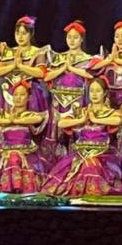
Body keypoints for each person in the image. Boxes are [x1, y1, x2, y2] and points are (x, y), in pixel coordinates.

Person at [43, 77, 122, 196]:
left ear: (105, 93)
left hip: (102, 155)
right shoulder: (81, 112)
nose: (94, 94)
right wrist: (81, 120)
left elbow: (118, 121)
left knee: (90, 164)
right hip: (81, 154)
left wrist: (95, 119)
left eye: (98, 91)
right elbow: (61, 123)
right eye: (91, 91)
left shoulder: (111, 113)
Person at [0, 80, 48, 193]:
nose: (18, 98)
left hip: (26, 154)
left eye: (22, 95)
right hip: (6, 154)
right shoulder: (4, 115)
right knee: (12, 157)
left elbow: (39, 118)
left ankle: (17, 187)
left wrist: (15, 120)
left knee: (15, 157)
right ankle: (9, 187)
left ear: (29, 97)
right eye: (15, 95)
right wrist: (7, 121)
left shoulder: (30, 115)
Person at [43, 20, 96, 160]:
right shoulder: (58, 57)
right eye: (69, 37)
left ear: (82, 39)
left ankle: (74, 162)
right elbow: (47, 76)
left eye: (75, 37)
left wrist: (71, 68)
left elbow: (91, 76)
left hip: (78, 100)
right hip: (58, 101)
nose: (72, 40)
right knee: (56, 132)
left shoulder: (88, 59)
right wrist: (63, 68)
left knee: (75, 131)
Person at [0, 15, 50, 113]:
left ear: (31, 34)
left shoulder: (38, 52)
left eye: (24, 33)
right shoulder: (8, 52)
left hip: (31, 95)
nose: (20, 37)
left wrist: (21, 66)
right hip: (8, 93)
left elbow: (41, 73)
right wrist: (13, 66)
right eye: (17, 33)